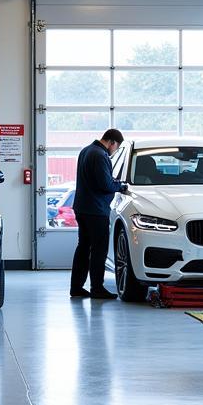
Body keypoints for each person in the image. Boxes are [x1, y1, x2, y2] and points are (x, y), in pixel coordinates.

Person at [70, 128, 127, 300]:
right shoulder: (100, 155)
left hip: (82, 208)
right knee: (99, 250)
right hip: (96, 210)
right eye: (116, 148)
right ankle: (97, 288)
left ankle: (76, 287)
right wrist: (121, 185)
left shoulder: (86, 151)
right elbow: (106, 185)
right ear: (112, 142)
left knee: (83, 247)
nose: (114, 151)